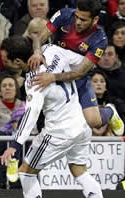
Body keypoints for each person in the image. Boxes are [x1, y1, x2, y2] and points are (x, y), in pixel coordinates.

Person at [0, 35, 115, 198]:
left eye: (6, 59)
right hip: (81, 126)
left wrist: (15, 145)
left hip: (59, 132)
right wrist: (57, 75)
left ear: (17, 62)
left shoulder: (33, 80)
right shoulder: (52, 50)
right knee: (79, 169)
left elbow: (31, 113)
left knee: (26, 172)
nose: (4, 63)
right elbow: (82, 65)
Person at [28, 0, 124, 136]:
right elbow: (39, 38)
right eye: (77, 17)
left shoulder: (100, 39)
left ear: (95, 19)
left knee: (93, 121)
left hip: (77, 77)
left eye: (83, 20)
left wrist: (52, 78)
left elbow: (79, 72)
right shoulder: (64, 15)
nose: (78, 22)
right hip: (56, 69)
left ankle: (109, 111)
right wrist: (37, 52)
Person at [91, 69, 115, 136]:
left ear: (106, 87)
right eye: (95, 81)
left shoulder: (113, 106)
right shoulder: (81, 105)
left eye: (102, 81)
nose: (99, 84)